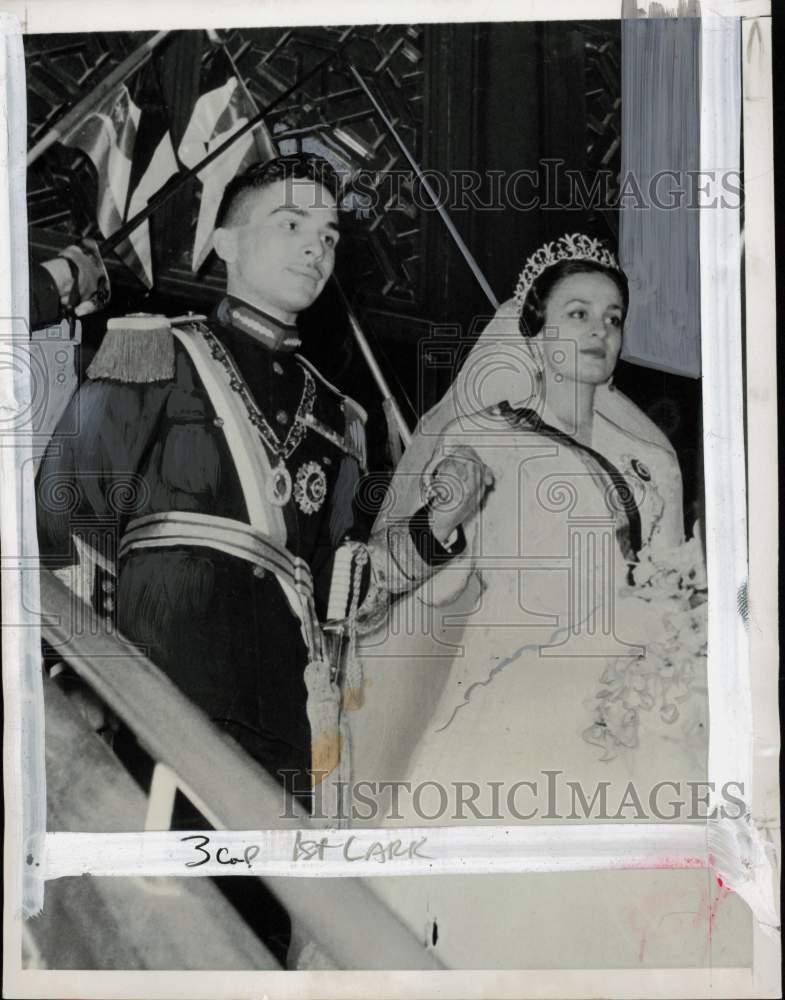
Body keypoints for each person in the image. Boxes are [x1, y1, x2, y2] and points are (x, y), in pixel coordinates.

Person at [35, 153, 486, 812]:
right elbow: (67, 506)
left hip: (284, 711)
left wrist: (434, 525)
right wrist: (78, 676)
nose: (316, 248)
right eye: (292, 224)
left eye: (328, 236)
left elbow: (342, 591)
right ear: (226, 243)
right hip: (161, 686)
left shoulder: (340, 418)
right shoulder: (155, 348)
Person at [339, 234, 726, 969]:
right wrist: (442, 520)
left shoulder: (651, 460)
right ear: (533, 329)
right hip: (514, 694)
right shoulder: (480, 436)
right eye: (577, 313)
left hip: (629, 708)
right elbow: (387, 573)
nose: (598, 331)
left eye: (612, 318)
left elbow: (672, 585)